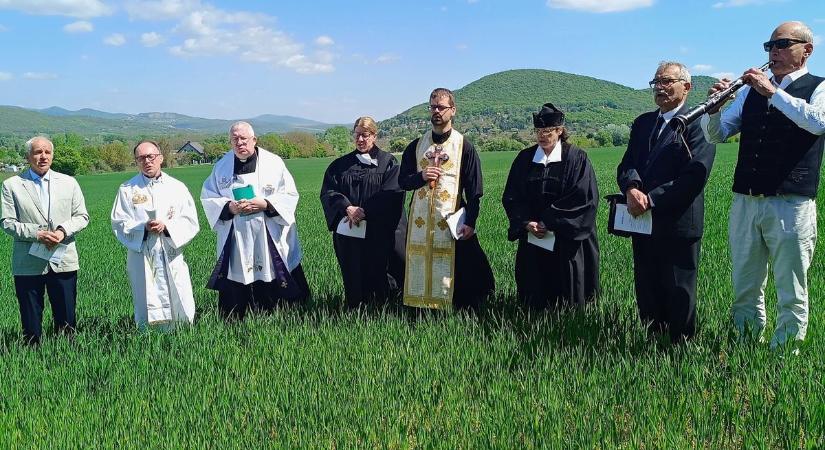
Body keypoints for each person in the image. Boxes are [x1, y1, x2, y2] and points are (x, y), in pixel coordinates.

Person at [700, 21, 824, 349]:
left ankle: (785, 354)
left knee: (791, 289)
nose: (774, 52)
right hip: (746, 201)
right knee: (745, 284)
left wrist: (773, 93)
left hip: (791, 204)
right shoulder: (750, 92)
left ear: (806, 50)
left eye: (782, 44)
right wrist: (713, 110)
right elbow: (717, 134)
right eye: (769, 46)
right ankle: (744, 347)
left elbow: (818, 123)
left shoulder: (818, 86)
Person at [617, 62, 716, 343]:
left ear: (686, 86)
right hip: (642, 221)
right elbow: (628, 163)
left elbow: (694, 176)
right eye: (656, 82)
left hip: (678, 223)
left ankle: (680, 349)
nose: (660, 88)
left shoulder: (698, 123)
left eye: (667, 81)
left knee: (678, 290)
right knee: (647, 288)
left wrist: (651, 199)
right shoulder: (644, 123)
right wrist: (632, 187)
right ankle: (652, 344)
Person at [201, 121, 309, 320]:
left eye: (244, 138)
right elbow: (209, 197)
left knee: (270, 268)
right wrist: (229, 207)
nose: (240, 143)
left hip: (268, 231)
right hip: (237, 234)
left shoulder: (274, 163)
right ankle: (237, 316)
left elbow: (290, 195)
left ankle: (279, 313)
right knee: (238, 271)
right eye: (235, 139)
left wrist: (265, 204)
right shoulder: (221, 166)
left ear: (254, 140)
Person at [399, 88, 494, 310]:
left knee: (460, 265)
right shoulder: (416, 146)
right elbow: (402, 181)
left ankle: (455, 307)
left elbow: (475, 188)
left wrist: (471, 220)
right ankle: (419, 307)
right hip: (420, 220)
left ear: (453, 110)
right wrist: (421, 176)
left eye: (441, 107)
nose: (436, 111)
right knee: (419, 260)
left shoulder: (464, 146)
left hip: (451, 218)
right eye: (433, 107)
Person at [502, 103, 600, 309]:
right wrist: (526, 221)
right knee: (535, 290)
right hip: (533, 236)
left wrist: (549, 220)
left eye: (547, 131)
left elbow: (583, 197)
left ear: (560, 131)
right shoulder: (524, 159)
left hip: (566, 236)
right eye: (538, 131)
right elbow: (513, 195)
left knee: (567, 293)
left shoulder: (576, 158)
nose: (542, 136)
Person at [1, 136, 89, 344]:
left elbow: (82, 216)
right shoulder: (12, 185)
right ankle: (33, 353)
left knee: (67, 316)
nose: (43, 156)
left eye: (47, 152)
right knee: (30, 317)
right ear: (28, 156)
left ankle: (67, 352)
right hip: (28, 261)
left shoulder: (69, 183)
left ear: (52, 155)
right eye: (37, 152)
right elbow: (6, 222)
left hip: (63, 257)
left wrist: (62, 231)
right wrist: (37, 233)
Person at [111, 140, 200, 328]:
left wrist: (166, 226)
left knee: (178, 290)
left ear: (160, 158)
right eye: (141, 158)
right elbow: (119, 223)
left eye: (151, 156)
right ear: (136, 161)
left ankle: (183, 331)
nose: (147, 161)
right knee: (145, 293)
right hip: (142, 252)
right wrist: (143, 227)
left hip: (170, 249)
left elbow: (190, 220)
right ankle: (147, 335)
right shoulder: (127, 189)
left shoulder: (177, 187)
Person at [320, 117, 406, 307]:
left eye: (365, 135)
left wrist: (365, 211)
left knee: (382, 271)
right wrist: (347, 208)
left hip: (379, 232)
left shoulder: (388, 163)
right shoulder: (340, 165)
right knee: (354, 270)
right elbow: (329, 192)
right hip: (351, 234)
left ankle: (387, 310)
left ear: (374, 136)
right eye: (357, 135)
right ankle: (356, 309)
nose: (360, 139)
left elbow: (393, 193)